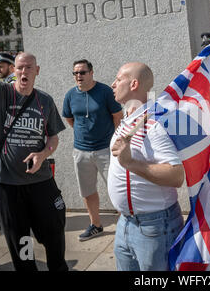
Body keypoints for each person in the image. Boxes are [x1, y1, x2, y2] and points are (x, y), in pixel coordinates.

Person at [0, 16, 68, 271]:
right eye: (19, 67)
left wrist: (43, 154)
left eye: (29, 68)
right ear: (14, 70)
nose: (24, 72)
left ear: (37, 71)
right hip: (8, 186)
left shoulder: (45, 101)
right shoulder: (2, 94)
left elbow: (53, 136)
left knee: (54, 232)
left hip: (41, 183)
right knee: (21, 240)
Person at [108, 62, 184, 271]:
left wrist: (130, 162)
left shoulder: (154, 125)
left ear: (134, 84)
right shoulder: (129, 119)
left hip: (155, 227)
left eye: (118, 79)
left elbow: (176, 175)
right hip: (127, 223)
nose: (113, 84)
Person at [62, 59, 123, 241]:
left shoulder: (105, 92)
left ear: (91, 72)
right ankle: (96, 225)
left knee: (116, 188)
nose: (78, 76)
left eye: (82, 72)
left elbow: (117, 117)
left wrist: (114, 141)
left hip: (106, 149)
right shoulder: (70, 95)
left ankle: (125, 225)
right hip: (81, 152)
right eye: (75, 73)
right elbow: (70, 119)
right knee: (87, 191)